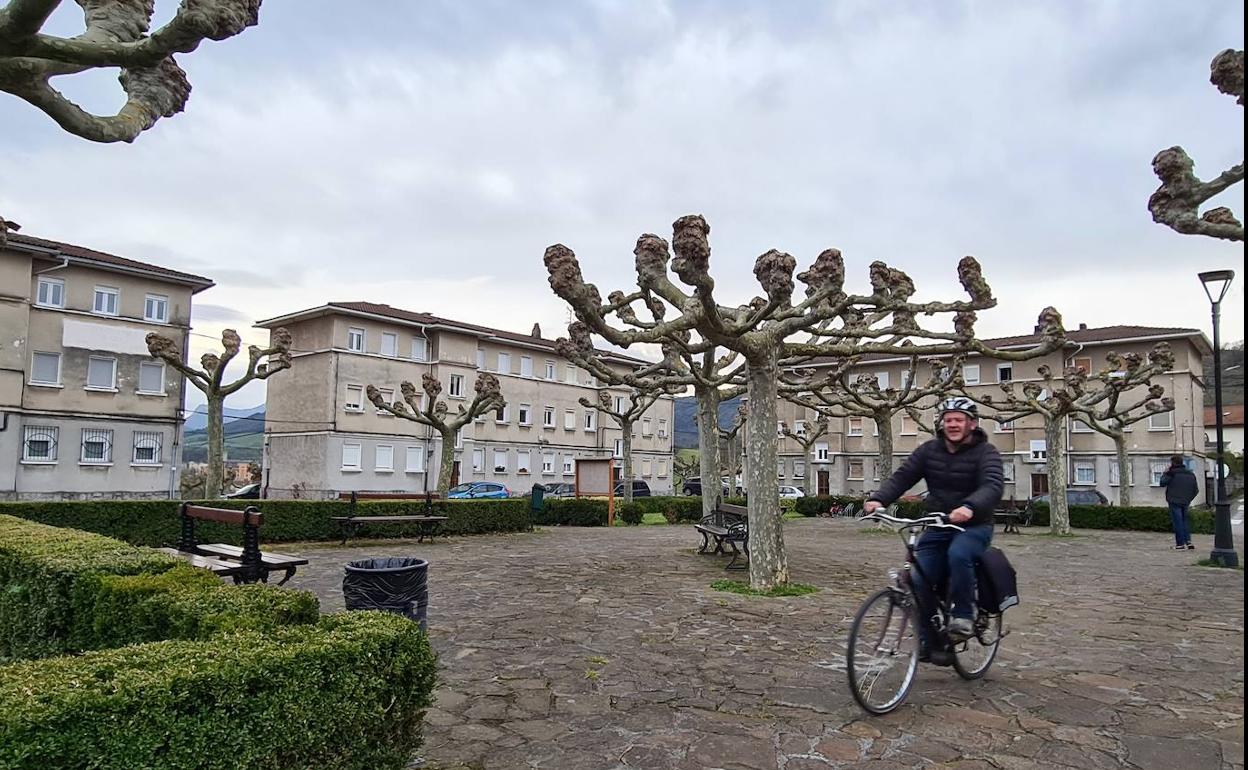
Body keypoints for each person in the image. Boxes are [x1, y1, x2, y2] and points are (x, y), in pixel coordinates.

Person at [863, 397, 1003, 660]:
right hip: (938, 523)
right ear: (941, 423)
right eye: (948, 419)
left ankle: (963, 615)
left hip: (974, 525)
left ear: (971, 424)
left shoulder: (987, 453)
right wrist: (879, 499)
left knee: (959, 555)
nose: (953, 424)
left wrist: (970, 507)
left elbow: (993, 485)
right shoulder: (929, 450)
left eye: (959, 419)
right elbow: (903, 477)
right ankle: (932, 643)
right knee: (917, 580)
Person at [1159, 455, 1199, 550]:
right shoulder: (1190, 474)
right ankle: (1188, 541)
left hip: (1174, 500)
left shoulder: (1171, 473)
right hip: (1186, 501)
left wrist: (1165, 473)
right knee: (1185, 521)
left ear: (1173, 463)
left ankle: (1180, 544)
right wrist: (1189, 499)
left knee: (1178, 522)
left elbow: (1162, 483)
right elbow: (1196, 490)